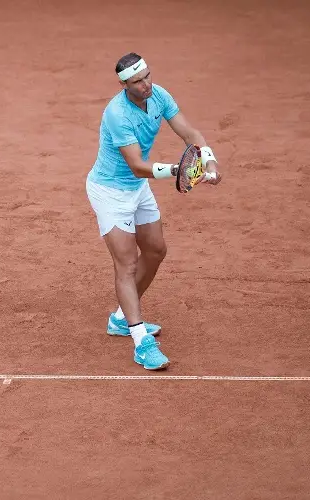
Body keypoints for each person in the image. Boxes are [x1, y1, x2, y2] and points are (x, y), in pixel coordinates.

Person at [86, 52, 222, 370]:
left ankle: (121, 319)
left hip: (137, 190)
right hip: (110, 192)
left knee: (156, 250)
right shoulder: (117, 114)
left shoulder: (159, 95)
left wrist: (209, 159)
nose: (146, 84)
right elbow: (136, 166)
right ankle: (140, 342)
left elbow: (190, 134)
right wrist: (178, 169)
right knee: (127, 263)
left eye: (147, 76)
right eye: (138, 81)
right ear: (124, 85)